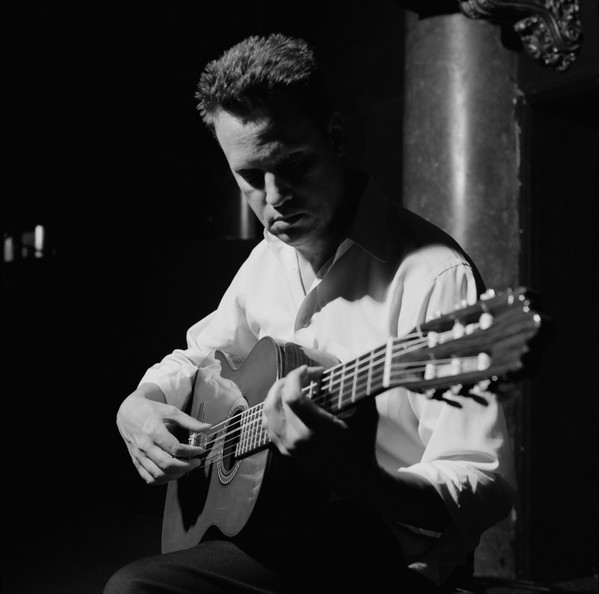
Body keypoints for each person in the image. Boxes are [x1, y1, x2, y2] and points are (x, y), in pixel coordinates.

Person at [105, 33, 516, 593]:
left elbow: (482, 479)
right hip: (283, 532)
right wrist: (138, 403)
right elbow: (199, 356)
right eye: (251, 178)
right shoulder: (267, 260)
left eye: (294, 164)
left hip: (387, 561)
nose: (275, 198)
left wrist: (358, 476)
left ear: (336, 136)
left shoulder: (437, 277)